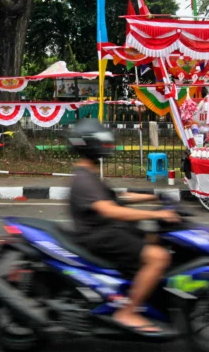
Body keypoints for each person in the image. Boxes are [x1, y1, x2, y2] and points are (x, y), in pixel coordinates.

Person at [66, 118, 180, 333]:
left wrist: (153, 198)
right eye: (102, 142)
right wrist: (157, 214)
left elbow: (118, 197)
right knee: (159, 257)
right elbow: (111, 210)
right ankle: (127, 312)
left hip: (106, 230)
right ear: (89, 144)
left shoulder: (88, 173)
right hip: (100, 235)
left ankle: (140, 294)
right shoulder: (84, 178)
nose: (106, 146)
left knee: (153, 239)